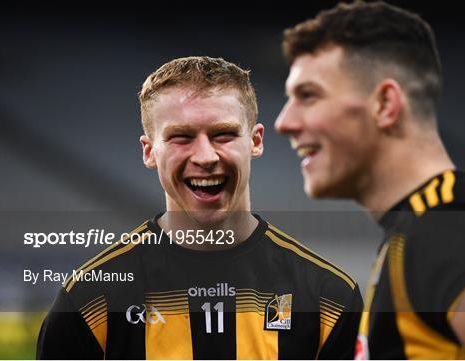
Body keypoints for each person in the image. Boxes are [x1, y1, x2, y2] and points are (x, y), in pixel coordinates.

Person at [36, 56, 363, 359]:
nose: (205, 157)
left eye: (223, 134)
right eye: (181, 137)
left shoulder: (328, 299)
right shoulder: (91, 298)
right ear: (150, 152)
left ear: (256, 141)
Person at [275, 2, 465, 359]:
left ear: (385, 104)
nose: (285, 122)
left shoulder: (450, 228)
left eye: (308, 95)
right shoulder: (419, 229)